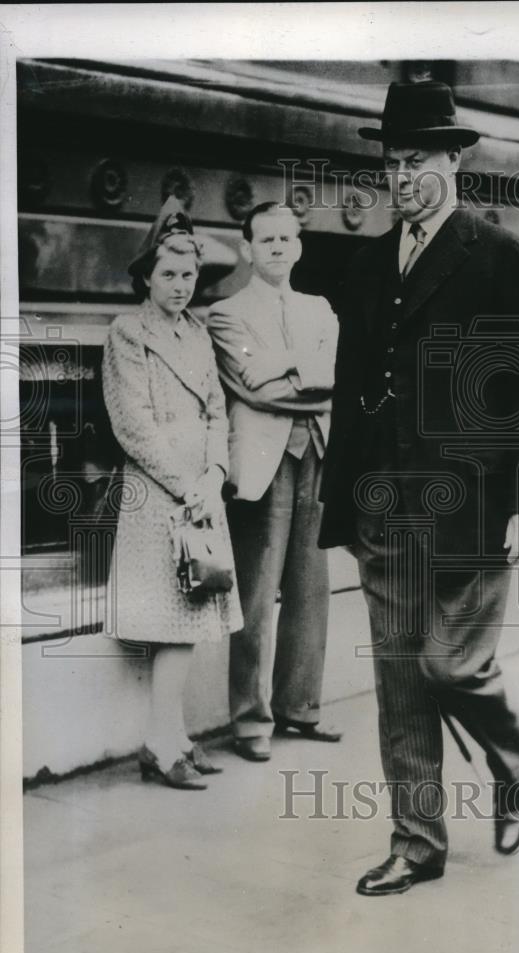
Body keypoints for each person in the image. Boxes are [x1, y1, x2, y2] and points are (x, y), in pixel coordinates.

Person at [319, 81, 519, 895]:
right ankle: (415, 843)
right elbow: (352, 381)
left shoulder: (495, 252)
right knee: (398, 678)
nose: (399, 174)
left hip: (471, 502)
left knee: (450, 668)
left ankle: (513, 764)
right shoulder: (365, 263)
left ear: (453, 160)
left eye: (415, 159)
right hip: (379, 504)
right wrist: (344, 497)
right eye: (390, 160)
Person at [102, 196, 242, 790]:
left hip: (198, 495)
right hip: (159, 494)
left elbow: (217, 411)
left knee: (192, 617)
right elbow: (131, 423)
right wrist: (190, 486)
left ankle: (173, 736)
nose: (182, 286)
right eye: (170, 275)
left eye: (190, 276)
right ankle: (162, 746)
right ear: (146, 276)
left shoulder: (198, 334)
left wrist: (214, 476)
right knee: (175, 623)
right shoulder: (127, 332)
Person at [208, 202, 341, 763]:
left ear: (300, 245)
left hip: (316, 455)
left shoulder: (321, 309)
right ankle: (250, 721)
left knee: (312, 593)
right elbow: (255, 389)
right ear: (248, 249)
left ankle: (300, 709)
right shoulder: (225, 314)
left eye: (288, 238)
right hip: (262, 465)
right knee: (257, 599)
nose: (279, 248)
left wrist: (283, 360)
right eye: (267, 240)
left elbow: (340, 377)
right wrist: (304, 372)